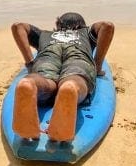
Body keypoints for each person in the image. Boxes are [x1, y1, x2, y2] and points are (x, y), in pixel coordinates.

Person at [10, 13, 115, 142]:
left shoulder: (45, 35)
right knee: (75, 78)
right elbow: (107, 26)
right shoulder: (86, 33)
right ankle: (70, 87)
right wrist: (97, 65)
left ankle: (30, 84)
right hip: (78, 57)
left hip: (48, 57)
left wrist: (30, 63)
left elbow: (18, 26)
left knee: (45, 81)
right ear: (81, 25)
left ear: (58, 25)